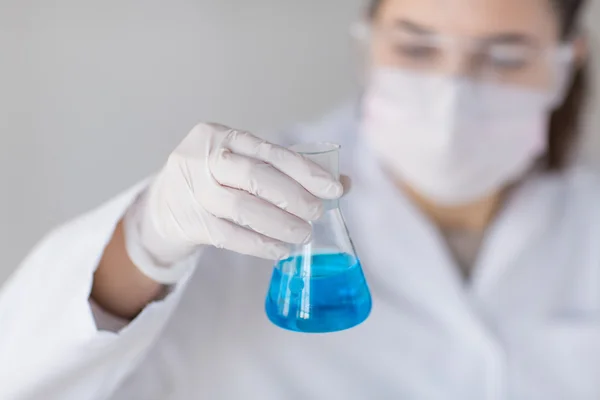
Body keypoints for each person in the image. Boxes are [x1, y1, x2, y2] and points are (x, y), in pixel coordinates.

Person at [0, 0, 596, 398]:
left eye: (505, 55)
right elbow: (24, 376)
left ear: (570, 59)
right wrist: (147, 241)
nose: (452, 94)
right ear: (368, 43)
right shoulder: (233, 205)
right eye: (417, 48)